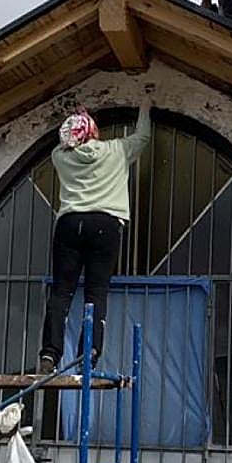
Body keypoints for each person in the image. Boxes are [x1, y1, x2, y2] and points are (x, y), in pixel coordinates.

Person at [38, 97, 153, 374]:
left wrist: (78, 118)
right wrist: (145, 106)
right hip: (106, 224)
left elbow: (71, 142)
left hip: (69, 223)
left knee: (61, 292)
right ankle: (88, 353)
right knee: (96, 292)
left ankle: (50, 355)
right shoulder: (116, 150)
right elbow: (143, 137)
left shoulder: (59, 157)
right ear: (93, 132)